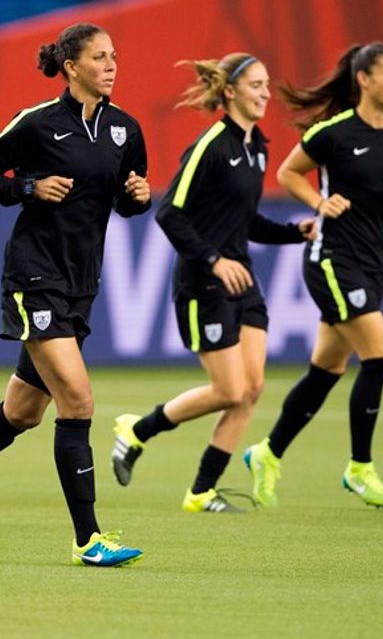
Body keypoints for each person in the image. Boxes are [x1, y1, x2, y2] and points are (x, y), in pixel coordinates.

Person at [0, 23, 150, 567]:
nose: (112, 65)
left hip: (81, 284)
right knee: (79, 402)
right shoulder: (37, 124)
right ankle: (89, 539)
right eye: (100, 57)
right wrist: (28, 188)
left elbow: (131, 198)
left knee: (21, 413)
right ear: (72, 66)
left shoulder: (125, 130)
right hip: (34, 278)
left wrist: (139, 196)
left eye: (115, 56)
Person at [110, 54, 316, 512]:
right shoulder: (211, 145)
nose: (266, 93)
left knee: (252, 387)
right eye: (256, 85)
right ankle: (137, 431)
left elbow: (245, 223)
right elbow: (169, 212)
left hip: (242, 280)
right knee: (229, 391)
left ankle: (201, 491)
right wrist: (213, 259)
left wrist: (293, 232)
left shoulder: (257, 147)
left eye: (267, 85)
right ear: (230, 92)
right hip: (203, 282)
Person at [243, 42, 383, 509]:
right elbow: (289, 172)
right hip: (331, 257)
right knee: (380, 357)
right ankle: (360, 467)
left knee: (326, 370)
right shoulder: (333, 132)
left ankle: (266, 454)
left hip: (372, 260)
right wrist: (318, 203)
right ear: (364, 79)